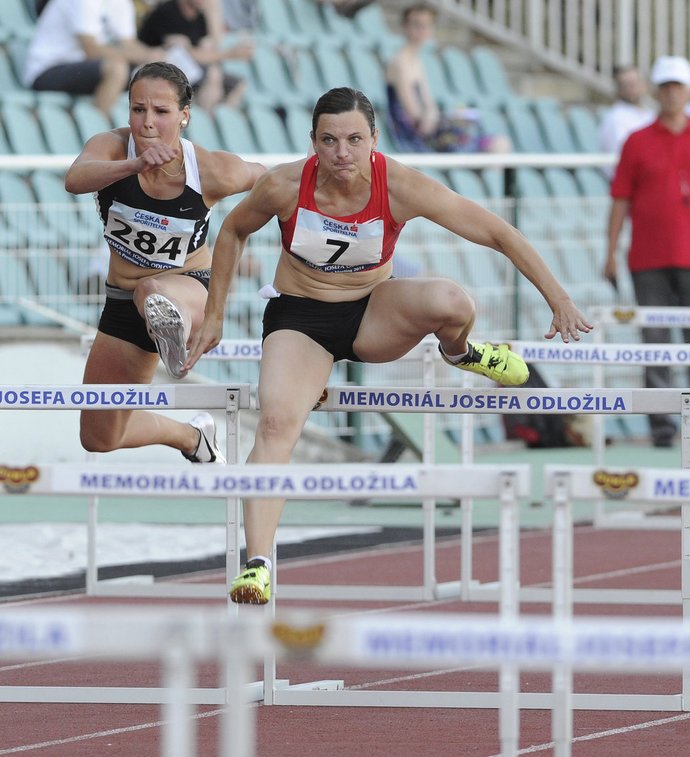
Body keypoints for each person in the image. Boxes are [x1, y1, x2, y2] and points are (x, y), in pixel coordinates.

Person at [183, 86, 592, 604]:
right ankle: (257, 564)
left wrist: (557, 297)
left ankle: (462, 352)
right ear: (312, 142)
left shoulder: (398, 184)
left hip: (371, 313)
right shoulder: (285, 184)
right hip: (300, 317)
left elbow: (496, 232)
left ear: (374, 139)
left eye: (354, 139)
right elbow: (233, 232)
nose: (342, 153)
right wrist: (215, 312)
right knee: (276, 421)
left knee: (453, 300)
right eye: (329, 141)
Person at [65, 61, 266, 465]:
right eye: (138, 109)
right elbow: (75, 178)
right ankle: (191, 437)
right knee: (99, 437)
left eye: (161, 111)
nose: (147, 122)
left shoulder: (209, 169)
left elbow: (269, 180)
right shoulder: (110, 147)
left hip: (187, 284)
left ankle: (179, 333)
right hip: (122, 302)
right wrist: (133, 165)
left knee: (152, 290)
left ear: (184, 116)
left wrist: (239, 233)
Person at [605, 55, 690, 448]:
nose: (672, 93)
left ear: (689, 91)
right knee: (655, 343)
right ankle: (662, 425)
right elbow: (620, 199)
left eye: (678, 86)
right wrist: (609, 251)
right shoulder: (636, 141)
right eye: (666, 87)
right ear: (656, 91)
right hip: (648, 259)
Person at [385, 4, 509, 153]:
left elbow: (429, 105)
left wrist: (443, 117)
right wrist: (436, 118)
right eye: (417, 24)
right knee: (497, 145)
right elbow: (416, 117)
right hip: (417, 139)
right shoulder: (400, 63)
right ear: (405, 27)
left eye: (426, 25)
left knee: (499, 143)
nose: (422, 30)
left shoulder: (416, 61)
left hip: (430, 131)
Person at [22, 0, 166, 113]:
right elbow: (90, 49)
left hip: (80, 68)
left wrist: (155, 56)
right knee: (116, 68)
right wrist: (143, 55)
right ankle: (96, 135)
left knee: (151, 73)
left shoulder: (121, 2)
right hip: (46, 70)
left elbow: (129, 44)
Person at [137, 0, 254, 112]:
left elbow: (210, 47)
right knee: (212, 79)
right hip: (154, 69)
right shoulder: (167, 12)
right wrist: (231, 54)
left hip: (187, 69)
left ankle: (217, 123)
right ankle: (203, 122)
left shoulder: (200, 17)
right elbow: (189, 54)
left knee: (237, 85)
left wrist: (213, 12)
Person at [598, 64, 655, 178]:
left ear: (644, 85)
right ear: (619, 90)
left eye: (634, 83)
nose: (631, 88)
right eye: (625, 85)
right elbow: (623, 155)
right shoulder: (615, 118)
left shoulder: (650, 114)